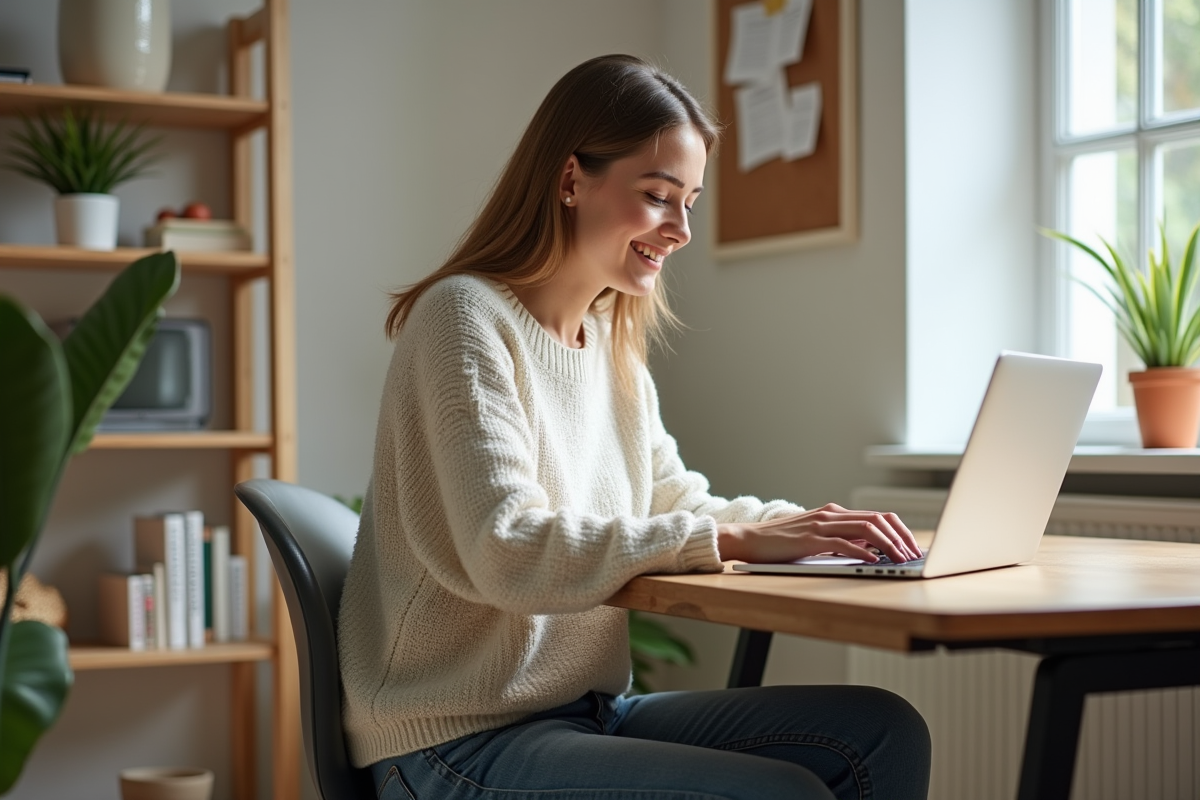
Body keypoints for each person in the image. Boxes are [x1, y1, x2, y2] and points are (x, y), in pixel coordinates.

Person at [338, 54, 931, 800]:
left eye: (690, 202)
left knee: (882, 734)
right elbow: (505, 546)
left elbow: (673, 499)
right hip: (452, 740)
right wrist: (737, 541)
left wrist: (810, 530)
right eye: (658, 197)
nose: (680, 230)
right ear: (570, 179)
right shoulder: (463, 318)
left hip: (583, 713)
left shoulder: (609, 340)